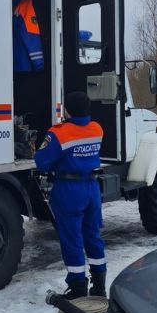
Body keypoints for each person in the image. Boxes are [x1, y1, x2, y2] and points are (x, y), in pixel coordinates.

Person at [34, 91, 107, 299]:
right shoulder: (97, 129)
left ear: (68, 110)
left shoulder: (59, 133)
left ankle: (77, 290)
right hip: (92, 188)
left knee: (72, 240)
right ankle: (100, 286)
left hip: (69, 190)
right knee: (93, 236)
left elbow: (42, 161)